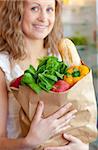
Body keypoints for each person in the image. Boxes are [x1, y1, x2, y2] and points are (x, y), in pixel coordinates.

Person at [0, 0, 89, 150]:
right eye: (34, 8)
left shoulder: (60, 58)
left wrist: (81, 146)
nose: (43, 18)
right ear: (16, 12)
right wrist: (29, 142)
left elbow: (77, 115)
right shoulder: (4, 65)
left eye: (49, 9)